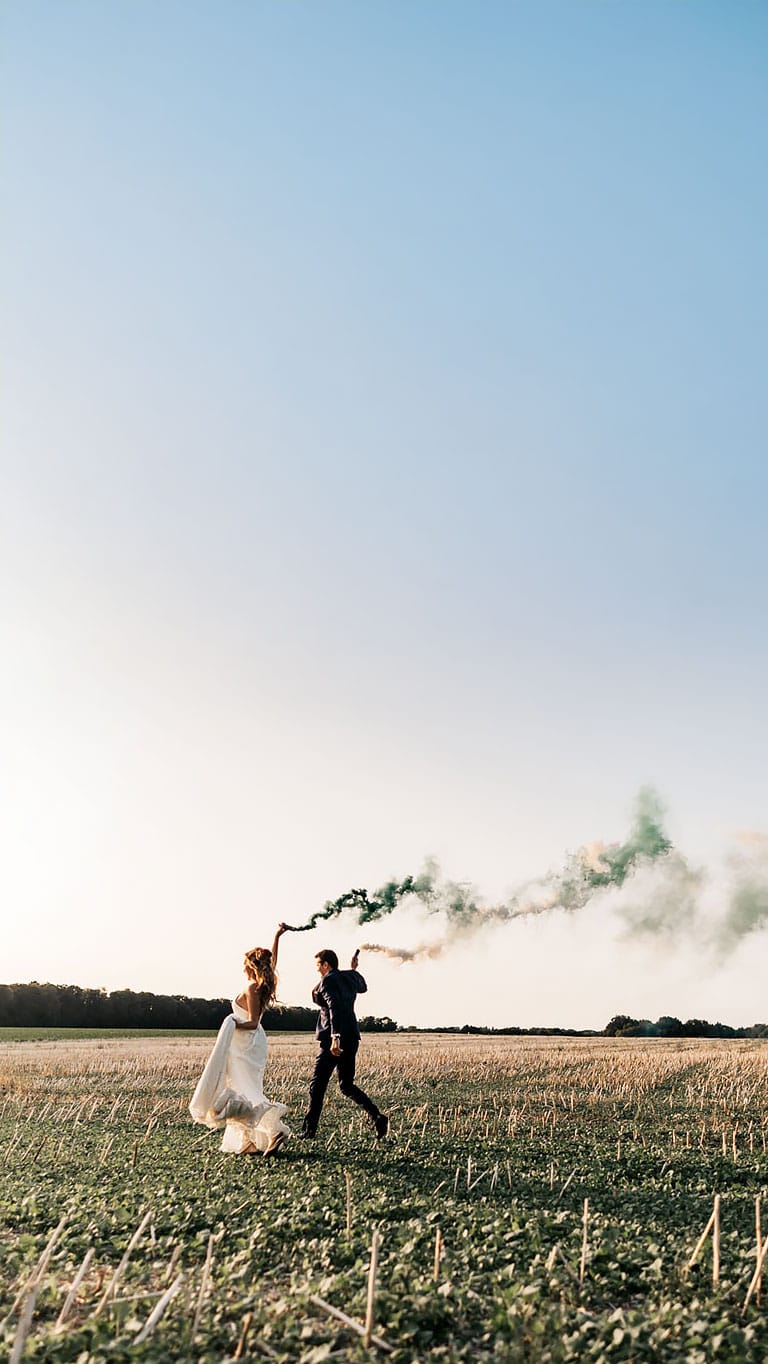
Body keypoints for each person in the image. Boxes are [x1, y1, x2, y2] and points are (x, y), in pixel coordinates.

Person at [189, 924, 291, 1155]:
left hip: (246, 1043)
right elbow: (272, 962)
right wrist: (276, 936)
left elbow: (253, 1021)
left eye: (245, 964)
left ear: (250, 966)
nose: (243, 969)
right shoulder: (260, 984)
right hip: (246, 1044)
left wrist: (233, 1022)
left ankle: (276, 1131)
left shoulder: (253, 987)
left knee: (246, 1091)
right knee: (240, 1090)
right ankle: (248, 1141)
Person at [300, 946, 388, 1140]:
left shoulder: (328, 981)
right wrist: (353, 971)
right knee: (346, 1085)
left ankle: (309, 1131)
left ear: (326, 964)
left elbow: (334, 1006)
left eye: (318, 965)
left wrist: (335, 1037)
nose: (317, 969)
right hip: (352, 1036)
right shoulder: (348, 977)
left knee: (317, 1085)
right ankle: (377, 1116)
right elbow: (362, 987)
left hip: (335, 1040)